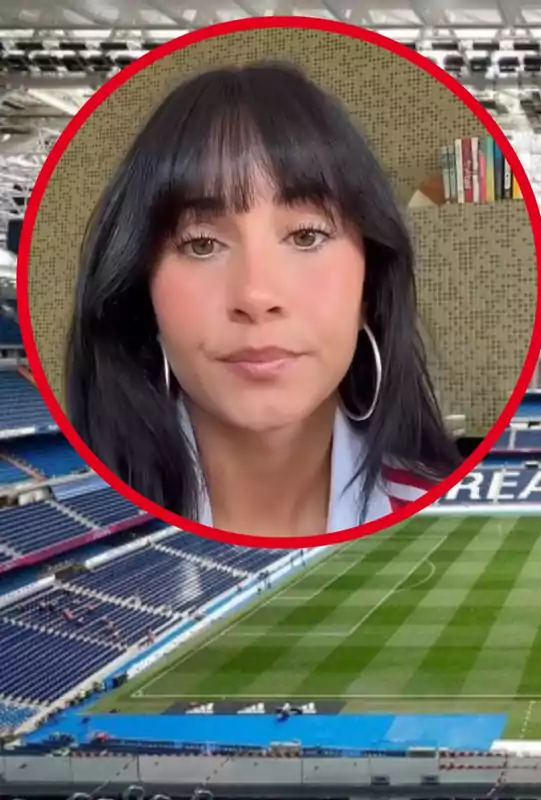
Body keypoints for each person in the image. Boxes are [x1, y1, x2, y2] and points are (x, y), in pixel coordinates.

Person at [65, 61, 462, 537]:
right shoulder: (90, 522)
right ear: (142, 293)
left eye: (307, 235)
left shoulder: (454, 518)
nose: (256, 295)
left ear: (368, 288)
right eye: (202, 244)